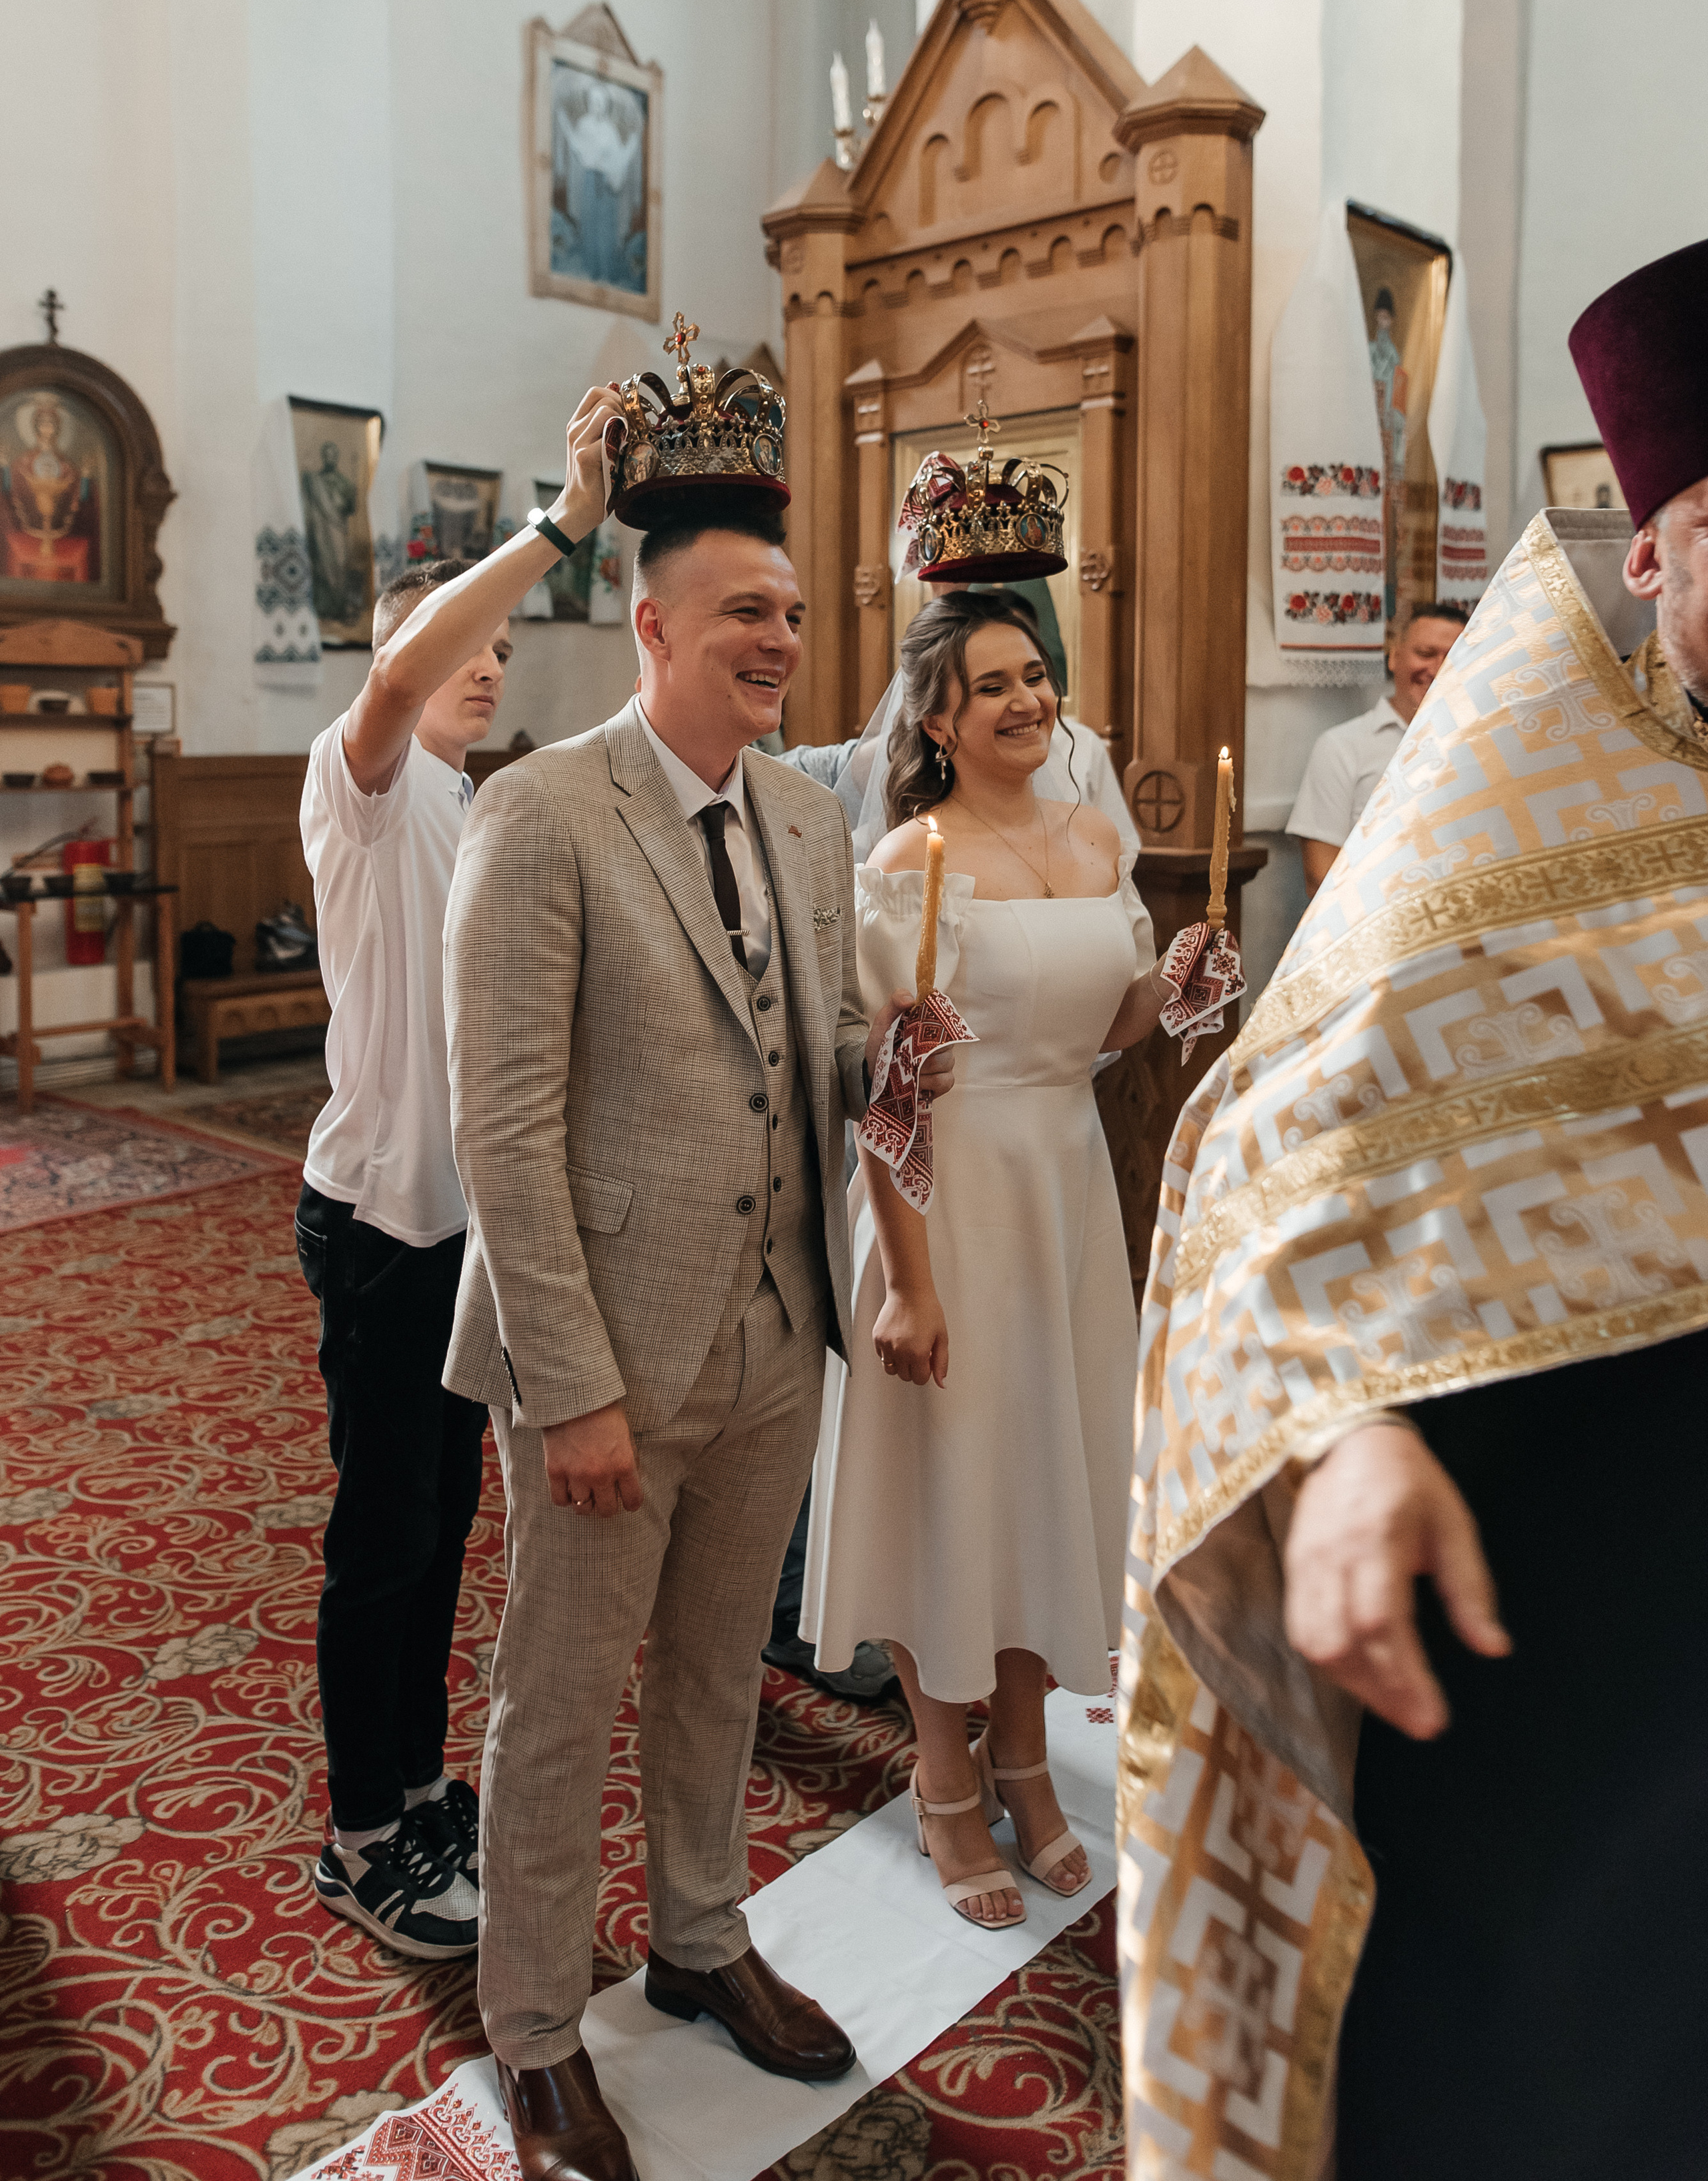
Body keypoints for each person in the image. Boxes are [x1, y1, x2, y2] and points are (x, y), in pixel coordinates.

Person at [1116, 237, 1708, 2181]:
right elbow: (1265, 1168)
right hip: (1545, 1624)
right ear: (1651, 553)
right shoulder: (1499, 825)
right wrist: (1342, 1434)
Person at [442, 497, 934, 2181]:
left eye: (792, 613)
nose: (780, 640)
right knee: (559, 1698)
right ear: (651, 627)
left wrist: (893, 1061)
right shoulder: (542, 813)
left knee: (720, 1668)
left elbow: (822, 1047)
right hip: (607, 1355)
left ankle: (702, 1933)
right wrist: (567, 1385)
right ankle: (530, 2025)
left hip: (773, 1327)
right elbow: (501, 1128)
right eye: (743, 611)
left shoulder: (805, 818)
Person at [803, 596, 1232, 1928]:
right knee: (952, 1480)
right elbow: (887, 1097)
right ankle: (941, 1773)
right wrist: (913, 1285)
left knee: (1045, 1473)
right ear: (934, 718)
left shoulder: (1096, 836)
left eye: (1035, 678)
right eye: (990, 686)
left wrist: (1171, 982)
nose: (1024, 703)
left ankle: (1028, 1761)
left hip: (1058, 1188)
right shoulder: (909, 861)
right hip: (944, 1199)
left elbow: (1098, 1027)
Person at [298, 385, 616, 1961]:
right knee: (386, 1530)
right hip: (374, 1220)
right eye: (456, 644)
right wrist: (560, 523)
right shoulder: (354, 781)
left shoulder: (491, 801)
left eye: (501, 648)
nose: (486, 663)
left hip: (461, 1227)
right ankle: (362, 1830)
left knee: (440, 1530)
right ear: (396, 657)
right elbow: (404, 667)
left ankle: (416, 1782)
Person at [1286, 600, 1466, 895]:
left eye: (1454, 657)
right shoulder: (1342, 747)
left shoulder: (1479, 743)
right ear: (1394, 657)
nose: (1438, 669)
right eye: (1425, 653)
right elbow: (1320, 874)